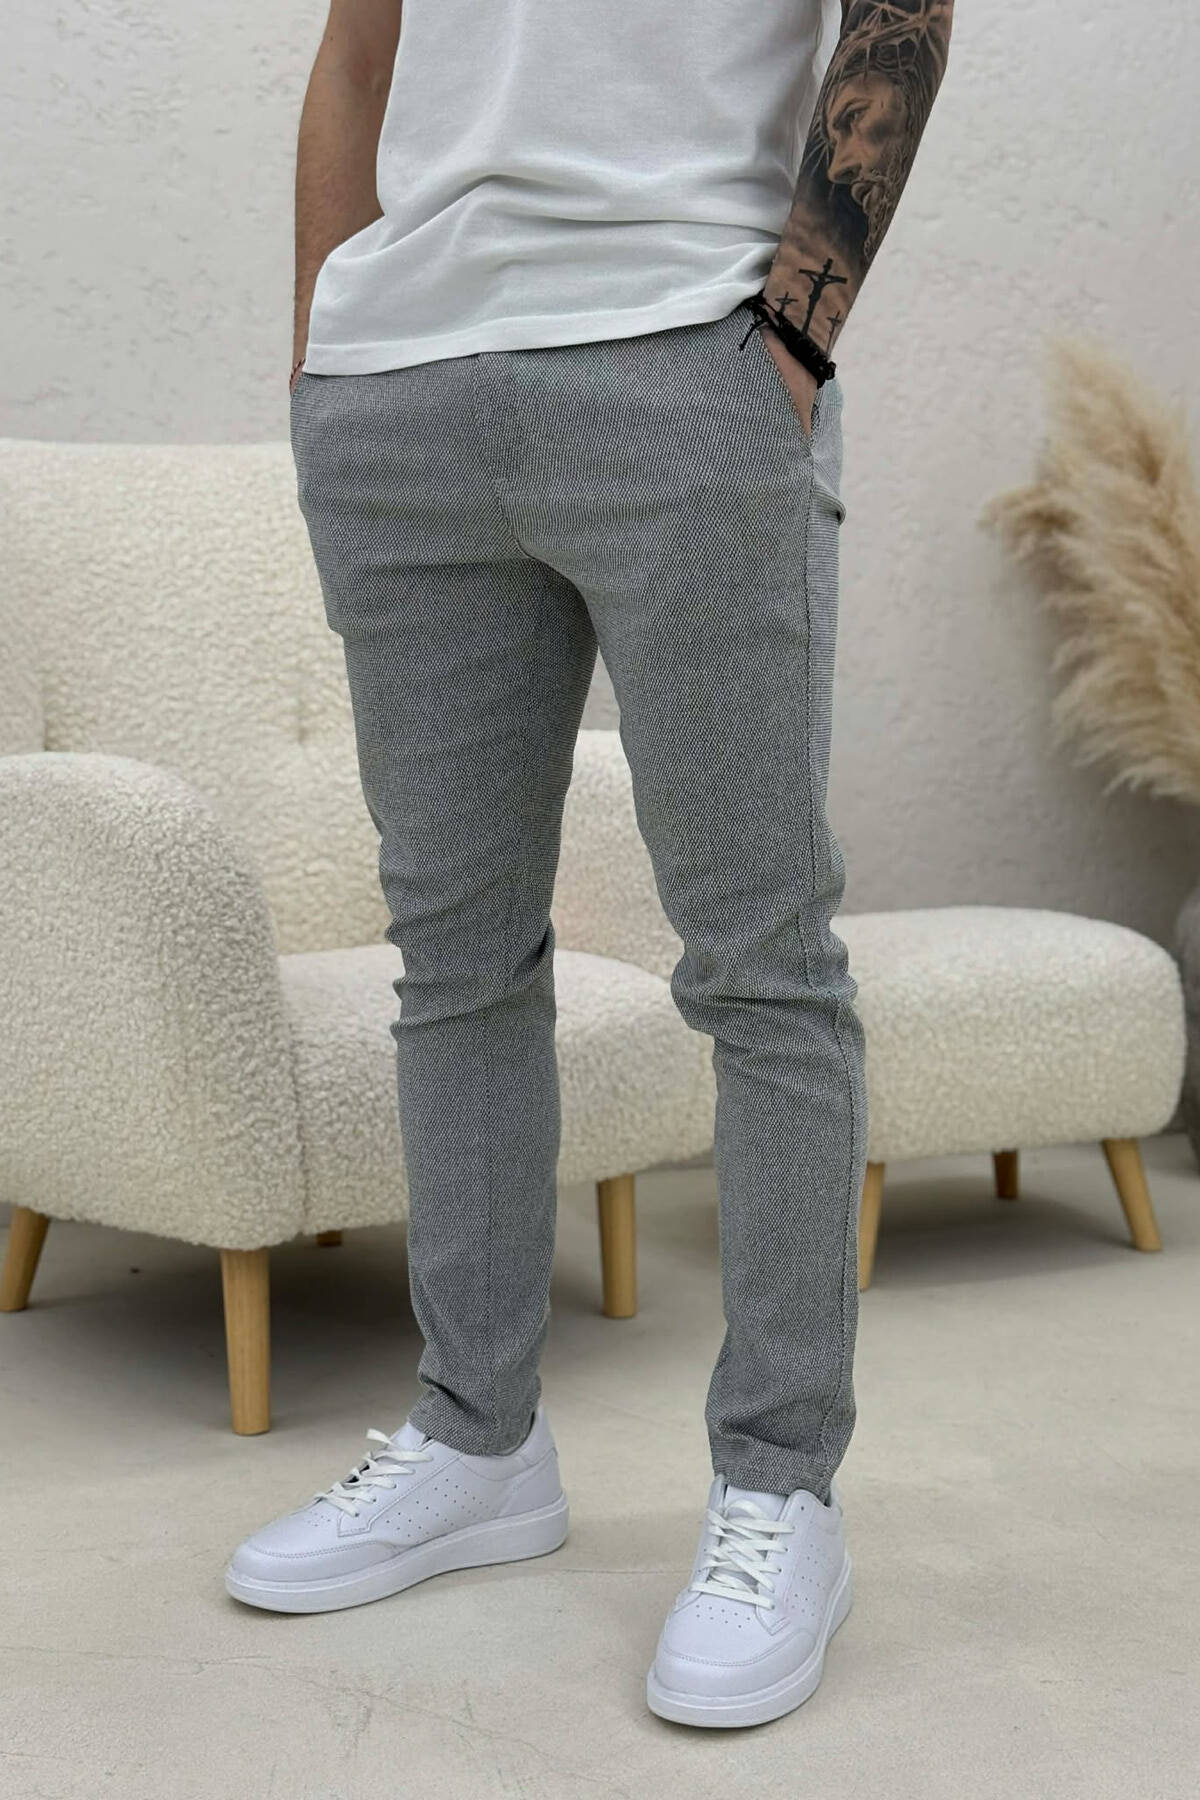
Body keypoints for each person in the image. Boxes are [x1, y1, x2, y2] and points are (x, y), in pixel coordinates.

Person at [225, 0, 953, 1729]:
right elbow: (360, 48)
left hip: (686, 355)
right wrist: (325, 355)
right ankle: (477, 1438)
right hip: (400, 392)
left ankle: (779, 1485)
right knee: (453, 954)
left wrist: (791, 335)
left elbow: (904, 13)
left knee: (761, 961)